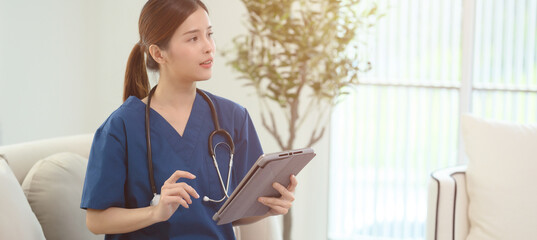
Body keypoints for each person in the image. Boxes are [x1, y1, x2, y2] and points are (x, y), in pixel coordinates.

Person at [80, 0, 298, 239]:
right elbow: (96, 220)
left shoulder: (234, 118)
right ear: (158, 53)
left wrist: (270, 206)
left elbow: (234, 213)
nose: (209, 47)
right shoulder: (121, 127)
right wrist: (155, 212)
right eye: (193, 38)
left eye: (209, 34)